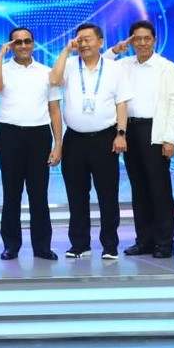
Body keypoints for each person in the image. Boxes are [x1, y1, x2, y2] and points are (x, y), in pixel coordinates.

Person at [50, 23, 132, 260]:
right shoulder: (68, 65)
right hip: (74, 139)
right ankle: (80, 244)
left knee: (108, 194)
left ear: (101, 42)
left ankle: (110, 245)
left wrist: (121, 133)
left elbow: (121, 103)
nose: (83, 44)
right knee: (76, 194)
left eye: (88, 39)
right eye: (80, 40)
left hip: (105, 138)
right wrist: (66, 50)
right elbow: (54, 80)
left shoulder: (115, 69)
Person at [0, 26, 62, 261]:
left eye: (27, 41)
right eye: (17, 42)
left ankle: (42, 247)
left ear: (33, 43)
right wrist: (0, 55)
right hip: (9, 134)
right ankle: (11, 245)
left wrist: (58, 144)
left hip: (39, 135)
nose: (22, 46)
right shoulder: (3, 69)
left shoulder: (46, 72)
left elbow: (54, 109)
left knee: (39, 194)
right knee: (11, 193)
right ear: (11, 46)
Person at [110, 20, 174, 259]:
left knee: (159, 189)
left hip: (155, 131)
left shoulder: (166, 67)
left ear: (154, 40)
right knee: (138, 188)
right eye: (137, 39)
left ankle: (164, 242)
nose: (142, 43)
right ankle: (144, 240)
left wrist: (170, 139)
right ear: (131, 41)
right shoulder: (122, 65)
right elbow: (100, 64)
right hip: (128, 130)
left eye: (146, 38)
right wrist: (116, 49)